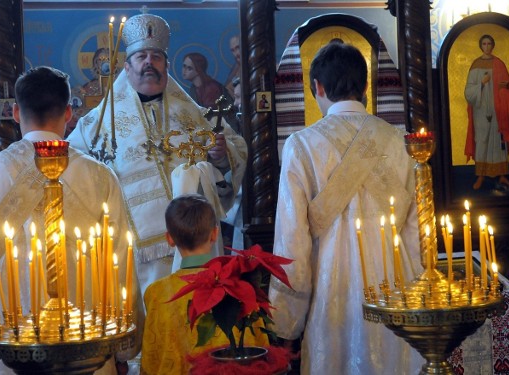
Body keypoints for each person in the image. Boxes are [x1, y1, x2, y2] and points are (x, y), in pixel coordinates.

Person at [0, 66, 140, 375]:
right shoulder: (100, 176)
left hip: (9, 347)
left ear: (15, 111)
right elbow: (121, 261)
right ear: (69, 113)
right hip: (89, 346)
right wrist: (123, 349)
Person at [67, 14, 247, 300]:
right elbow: (72, 169)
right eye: (140, 56)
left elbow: (235, 153)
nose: (149, 63)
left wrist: (223, 157)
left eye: (156, 57)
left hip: (195, 245)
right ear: (126, 68)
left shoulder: (196, 116)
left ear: (167, 66)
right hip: (131, 252)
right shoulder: (96, 124)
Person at [268, 42, 424, 374]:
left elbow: (291, 240)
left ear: (317, 88)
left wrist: (286, 323)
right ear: (366, 87)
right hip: (397, 295)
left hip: (333, 293)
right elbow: (416, 232)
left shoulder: (301, 145)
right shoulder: (401, 142)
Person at [141, 194, 267, 374]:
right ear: (215, 233)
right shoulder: (239, 286)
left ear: (169, 239)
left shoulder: (156, 292)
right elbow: (258, 348)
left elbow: (153, 356)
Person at [464, 34, 509, 191]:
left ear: (492, 45)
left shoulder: (499, 63)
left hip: (497, 109)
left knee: (498, 142)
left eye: (489, 44)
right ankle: (480, 175)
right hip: (480, 110)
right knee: (482, 140)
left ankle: (502, 175)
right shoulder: (475, 65)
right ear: (481, 46)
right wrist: (482, 83)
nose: (486, 46)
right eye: (484, 44)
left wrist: (504, 86)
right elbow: (468, 91)